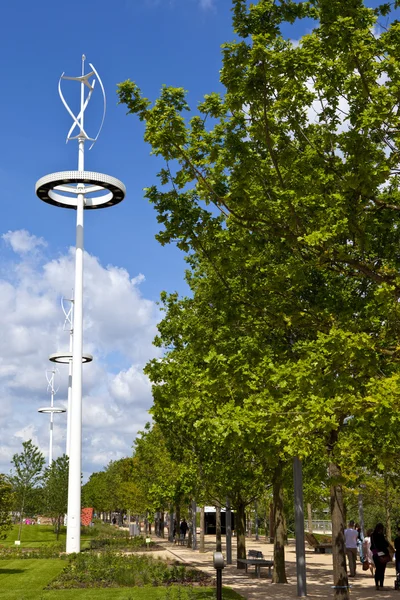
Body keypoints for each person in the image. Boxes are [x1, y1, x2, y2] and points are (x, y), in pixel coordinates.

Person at [371, 523, 390, 590]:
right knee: (382, 570)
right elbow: (386, 544)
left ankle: (377, 585)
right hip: (383, 554)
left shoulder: (372, 535)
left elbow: (372, 546)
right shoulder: (381, 536)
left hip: (376, 554)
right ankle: (381, 585)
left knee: (377, 569)